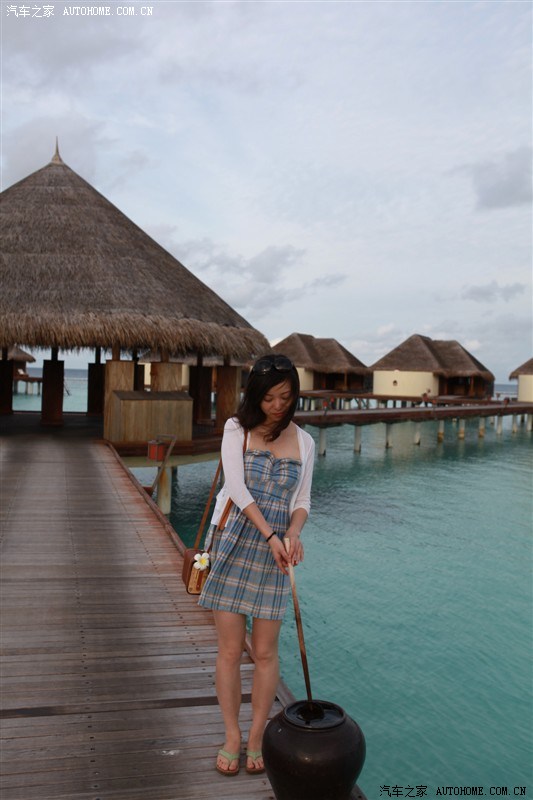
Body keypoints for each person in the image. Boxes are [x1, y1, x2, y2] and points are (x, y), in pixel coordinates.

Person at [198, 353, 315, 777]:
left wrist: (294, 533)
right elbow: (236, 487)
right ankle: (232, 735)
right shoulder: (237, 428)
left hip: (275, 553)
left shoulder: (305, 442)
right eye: (269, 398)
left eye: (285, 397)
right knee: (230, 650)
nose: (278, 406)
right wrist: (270, 535)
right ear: (255, 396)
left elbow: (302, 500)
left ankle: (256, 736)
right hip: (235, 542)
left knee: (265, 652)